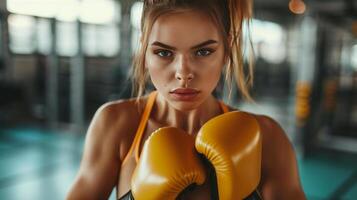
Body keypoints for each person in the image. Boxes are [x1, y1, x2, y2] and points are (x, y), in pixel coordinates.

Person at [67, 0, 306, 199]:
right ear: (144, 50)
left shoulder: (266, 136)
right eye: (163, 52)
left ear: (226, 51)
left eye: (203, 51)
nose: (183, 72)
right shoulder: (117, 124)